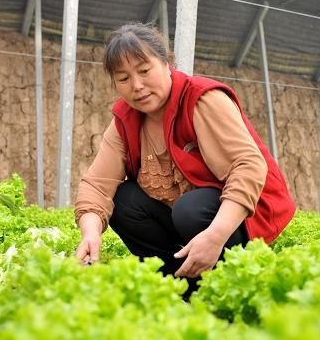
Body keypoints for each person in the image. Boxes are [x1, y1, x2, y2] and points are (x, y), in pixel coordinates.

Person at [74, 23, 296, 291]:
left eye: (144, 71)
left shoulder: (202, 98)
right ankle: (181, 285)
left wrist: (215, 237)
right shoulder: (125, 120)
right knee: (124, 201)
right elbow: (97, 185)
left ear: (167, 63)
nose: (137, 85)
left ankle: (229, 281)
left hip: (242, 216)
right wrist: (90, 232)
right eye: (123, 79)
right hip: (187, 219)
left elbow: (247, 166)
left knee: (191, 210)